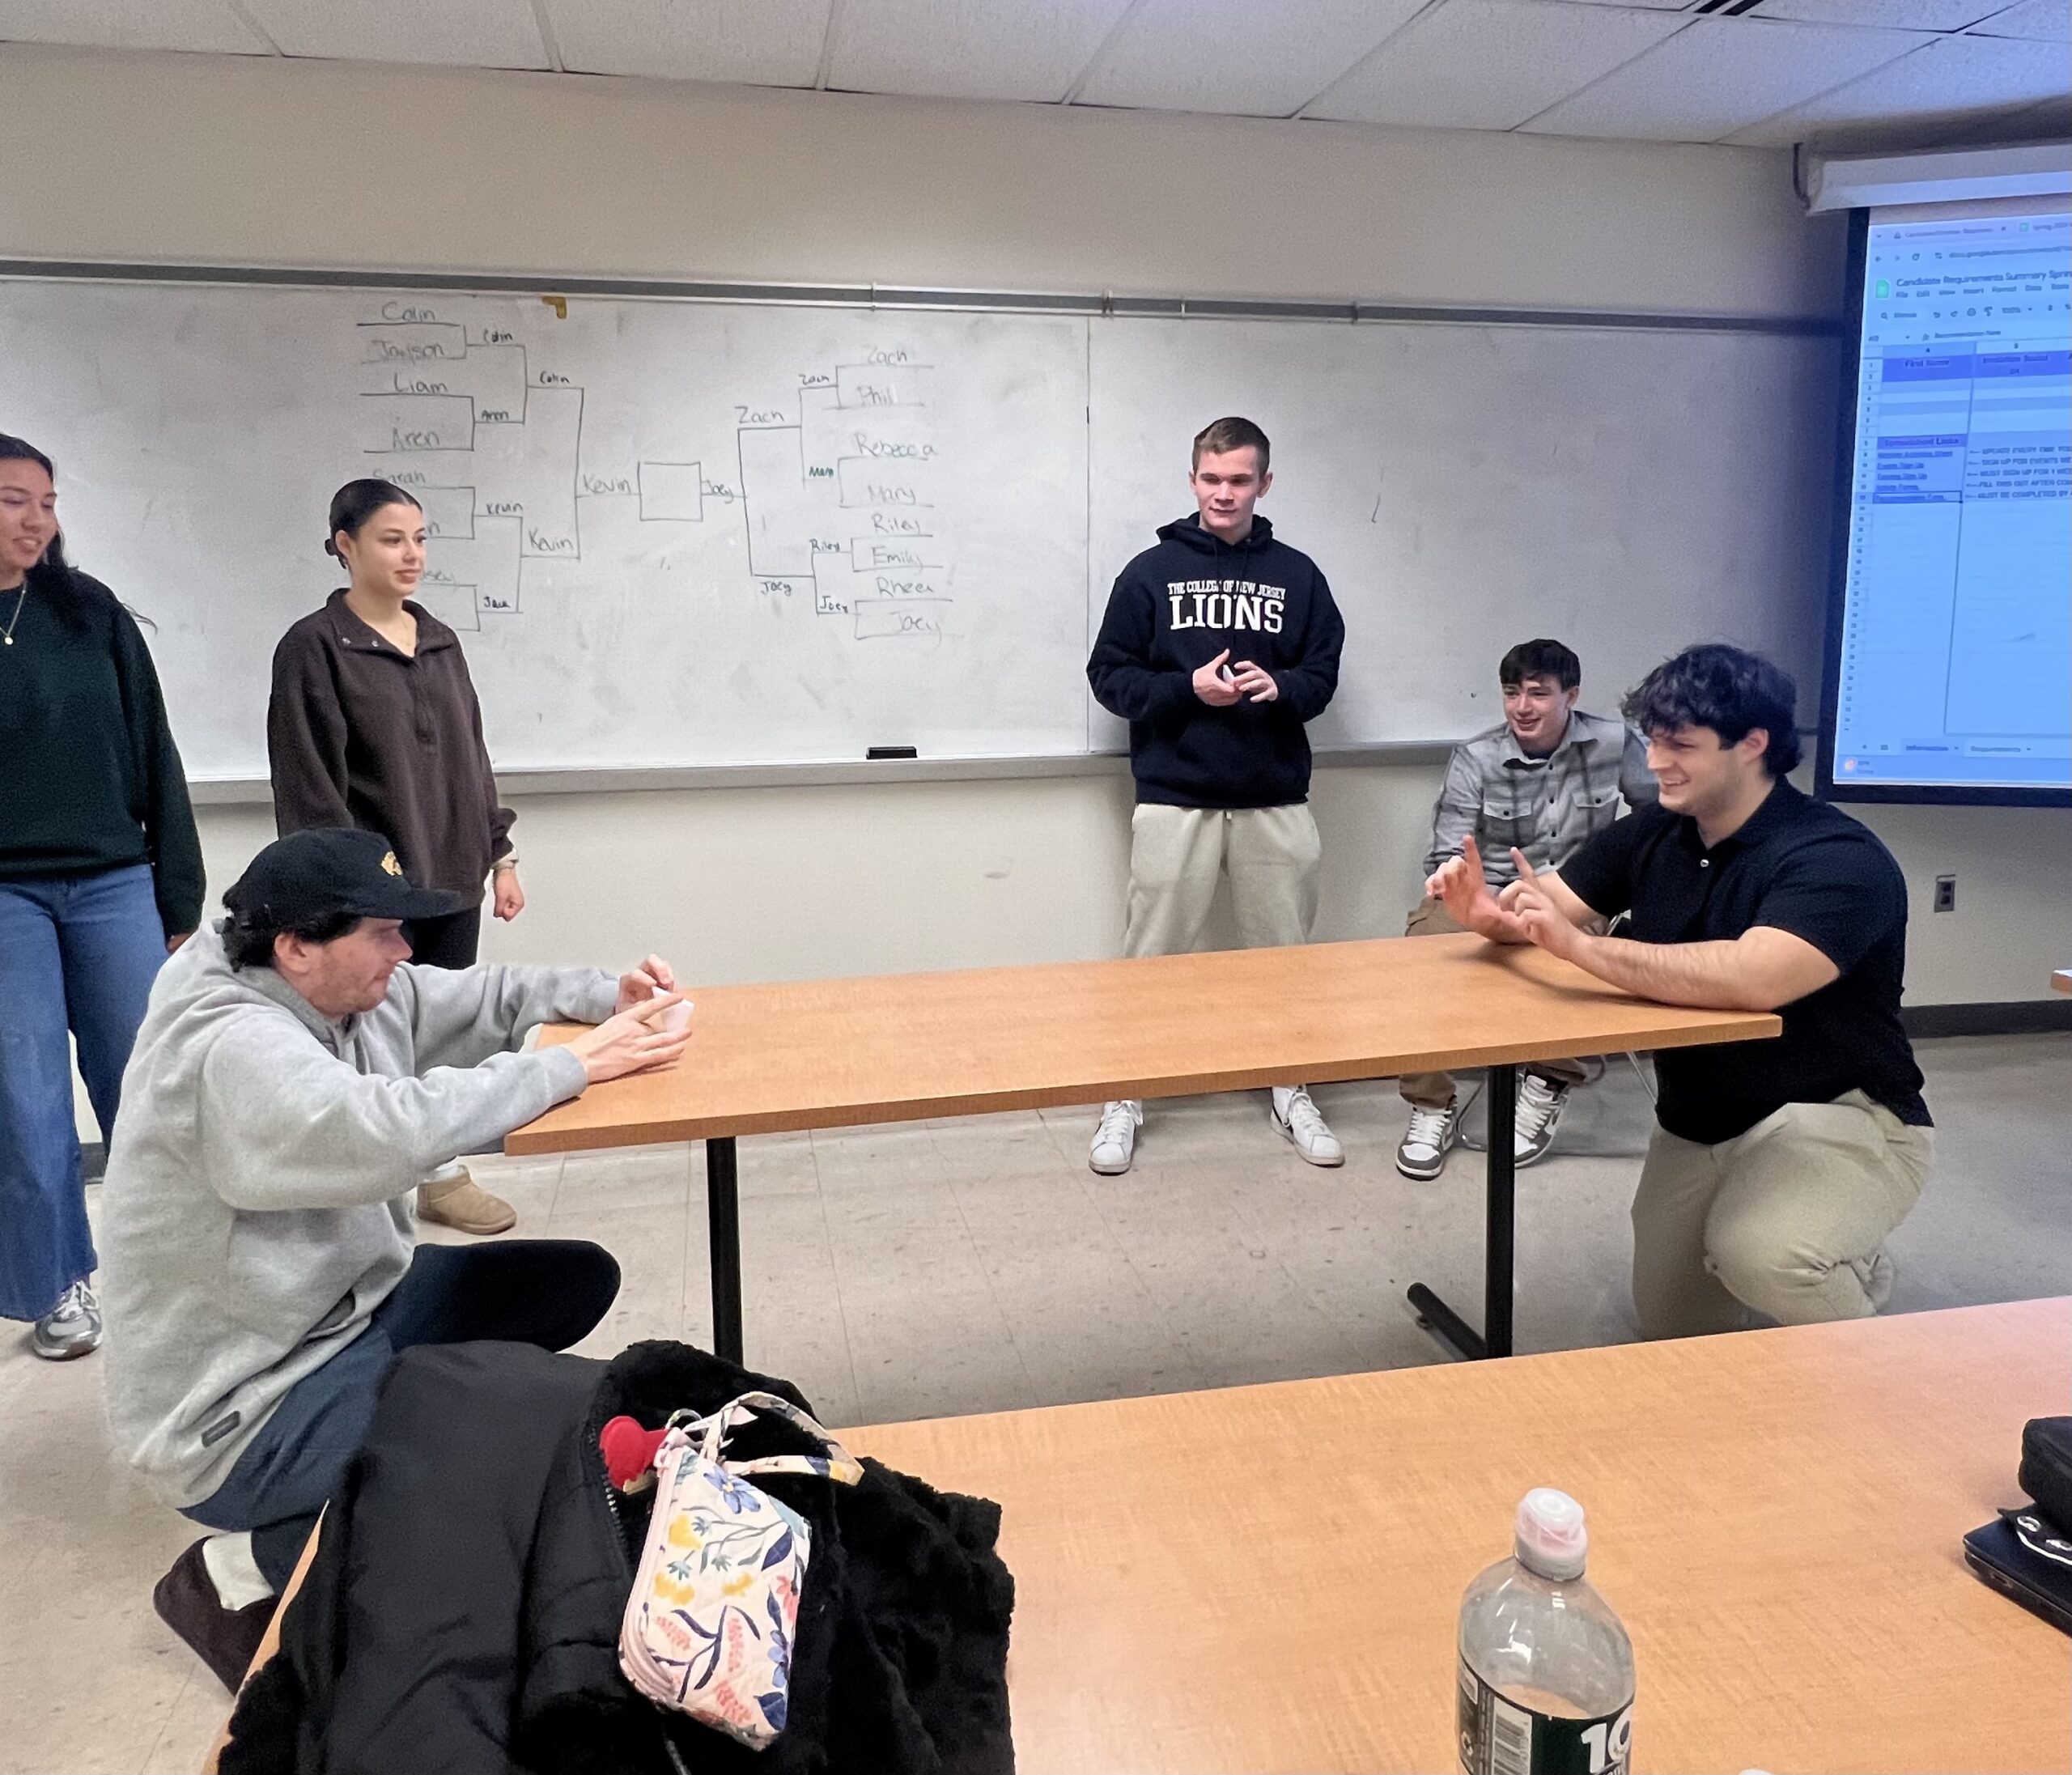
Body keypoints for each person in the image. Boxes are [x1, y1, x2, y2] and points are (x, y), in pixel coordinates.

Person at [98, 826, 692, 1688]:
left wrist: (611, 995)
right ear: (297, 948)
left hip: (341, 1313)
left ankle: (422, 1427)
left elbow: (483, 995)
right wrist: (573, 1069)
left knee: (572, 1281)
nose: (404, 951)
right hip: (241, 1408)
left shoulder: (347, 988)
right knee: (511, 1451)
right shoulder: (228, 1048)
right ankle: (237, 1571)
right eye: (381, 932)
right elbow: (388, 1131)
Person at [1427, 643, 1931, 1340]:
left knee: (1761, 1256)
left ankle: (1857, 1302)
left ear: (1753, 744)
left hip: (1838, 1111)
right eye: (1654, 740)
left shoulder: (1837, 859)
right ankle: (1789, 1234)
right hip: (1699, 1118)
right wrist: (1491, 918)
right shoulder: (1659, 829)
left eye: (1681, 745)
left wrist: (1582, 947)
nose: (1657, 761)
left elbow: (1754, 978)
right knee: (1675, 1326)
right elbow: (1549, 908)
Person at [1085, 417, 1347, 1174]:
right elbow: (1110, 677)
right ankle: (1124, 1093)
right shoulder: (1149, 573)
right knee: (1152, 957)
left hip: (1274, 796)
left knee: (1284, 957)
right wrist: (1186, 689)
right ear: (1192, 480)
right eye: (1211, 478)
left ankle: (1291, 1085)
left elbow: (1323, 674)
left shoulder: (1299, 576)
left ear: (1264, 483)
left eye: (1239, 479)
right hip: (1175, 794)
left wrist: (1283, 686)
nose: (1224, 493)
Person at [269, 479, 528, 1236]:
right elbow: (309, 785)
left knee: (441, 1028)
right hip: (375, 891)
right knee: (373, 1035)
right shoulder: (314, 647)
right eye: (391, 538)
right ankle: (376, 1188)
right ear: (344, 545)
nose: (411, 554)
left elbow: (471, 758)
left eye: (419, 537)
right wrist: (343, 894)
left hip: (453, 875)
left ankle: (441, 1175)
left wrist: (500, 855)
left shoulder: (441, 639)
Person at [0, 433, 202, 1362]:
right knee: (25, 1096)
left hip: (115, 881)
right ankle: (56, 1288)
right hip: (6, 899)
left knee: (149, 1086)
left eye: (47, 501)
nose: (37, 519)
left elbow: (154, 749)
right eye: (14, 500)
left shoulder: (91, 616)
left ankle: (173, 1275)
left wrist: (178, 893)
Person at [1396, 638, 1656, 1181]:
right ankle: (1430, 1104)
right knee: (1420, 952)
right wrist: (1454, 883)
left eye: (1539, 693)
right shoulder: (1477, 756)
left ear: (1572, 695)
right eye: (1512, 693)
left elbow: (1664, 821)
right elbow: (1446, 850)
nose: (1523, 706)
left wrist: (1624, 884)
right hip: (1488, 895)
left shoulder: (1614, 743)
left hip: (1578, 898)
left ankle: (1549, 1078)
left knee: (1572, 952)